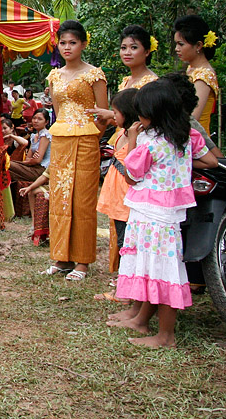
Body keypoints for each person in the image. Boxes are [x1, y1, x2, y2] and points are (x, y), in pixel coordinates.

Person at [107, 80, 218, 348]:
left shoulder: (150, 143)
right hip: (169, 214)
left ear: (152, 114)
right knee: (161, 269)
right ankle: (144, 320)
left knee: (163, 272)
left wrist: (133, 140)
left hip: (149, 213)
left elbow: (132, 176)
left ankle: (166, 336)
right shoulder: (186, 137)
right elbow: (211, 160)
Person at [41, 20, 108, 281]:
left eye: (73, 42)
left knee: (82, 200)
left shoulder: (95, 74)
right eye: (63, 43)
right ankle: (61, 258)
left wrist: (91, 138)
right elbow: (57, 113)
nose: (67, 47)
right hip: (61, 140)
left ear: (83, 44)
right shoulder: (54, 75)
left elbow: (103, 115)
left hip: (87, 141)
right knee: (59, 197)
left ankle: (82, 262)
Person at [92, 89, 139, 301]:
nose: (113, 115)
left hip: (126, 198)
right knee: (122, 241)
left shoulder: (135, 136)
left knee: (127, 243)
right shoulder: (121, 132)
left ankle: (126, 289)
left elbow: (133, 165)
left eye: (115, 111)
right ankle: (123, 284)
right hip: (116, 196)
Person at [173, 15, 220, 137]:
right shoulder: (191, 70)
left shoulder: (204, 75)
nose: (176, 49)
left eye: (181, 44)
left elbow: (192, 117)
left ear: (198, 46)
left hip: (196, 142)